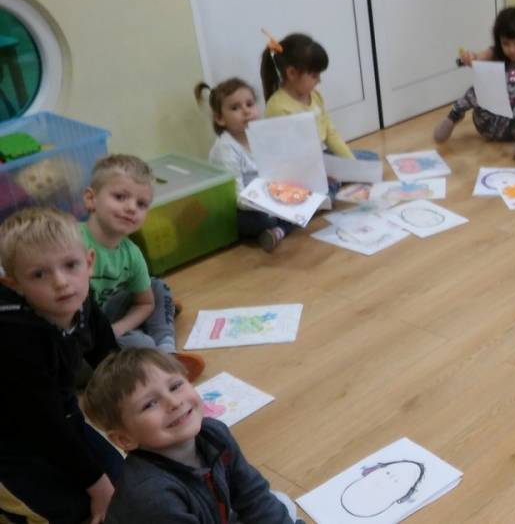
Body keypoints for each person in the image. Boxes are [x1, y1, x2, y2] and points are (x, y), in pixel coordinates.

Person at [82, 348, 303, 523]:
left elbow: (252, 495)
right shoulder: (152, 495)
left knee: (279, 503)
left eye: (175, 386)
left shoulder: (215, 433)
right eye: (150, 404)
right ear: (124, 439)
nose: (174, 402)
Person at [0, 207, 121, 524]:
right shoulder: (15, 337)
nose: (61, 282)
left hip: (56, 409)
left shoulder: (79, 297)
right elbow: (42, 424)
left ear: (89, 263)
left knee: (123, 481)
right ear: (14, 284)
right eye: (39, 274)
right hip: (10, 440)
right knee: (71, 512)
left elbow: (108, 356)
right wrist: (97, 486)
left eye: (70, 265)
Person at [82, 154, 205, 380]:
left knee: (157, 288)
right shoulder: (71, 241)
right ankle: (157, 352)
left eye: (141, 204)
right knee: (141, 344)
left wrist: (118, 328)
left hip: (108, 318)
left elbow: (145, 302)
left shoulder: (132, 254)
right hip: (79, 332)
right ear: (91, 199)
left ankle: (167, 352)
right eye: (120, 197)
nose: (131, 208)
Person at [259, 33, 379, 193]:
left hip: (318, 159)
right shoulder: (278, 107)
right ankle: (329, 186)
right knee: (326, 190)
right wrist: (320, 172)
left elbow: (330, 133)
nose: (319, 81)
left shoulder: (315, 96)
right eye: (314, 76)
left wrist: (352, 164)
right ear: (292, 73)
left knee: (370, 158)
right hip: (297, 170)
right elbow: (287, 158)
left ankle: (335, 180)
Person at [433, 6, 515, 158]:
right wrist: (470, 58)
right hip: (489, 123)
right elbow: (477, 58)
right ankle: (453, 116)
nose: (512, 49)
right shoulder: (494, 53)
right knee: (480, 86)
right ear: (499, 42)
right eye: (506, 43)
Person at [196, 78, 298, 251]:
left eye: (249, 104)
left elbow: (273, 173)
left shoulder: (258, 137)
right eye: (235, 108)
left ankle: (278, 231)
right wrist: (271, 205)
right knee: (265, 220)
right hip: (239, 208)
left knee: (314, 196)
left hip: (266, 200)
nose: (246, 111)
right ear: (220, 119)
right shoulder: (225, 149)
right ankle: (279, 226)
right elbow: (237, 198)